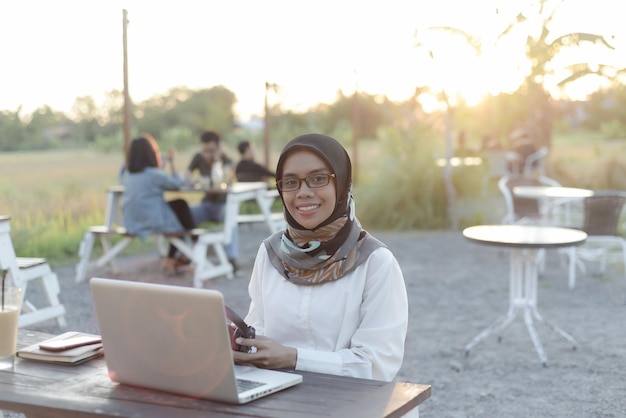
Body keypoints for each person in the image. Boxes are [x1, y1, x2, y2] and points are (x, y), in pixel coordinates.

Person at [232, 133, 409, 382]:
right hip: (276, 398)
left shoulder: (375, 262)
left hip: (349, 403)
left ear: (342, 184)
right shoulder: (271, 253)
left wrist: (294, 359)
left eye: (318, 179)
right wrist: (237, 344)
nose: (303, 192)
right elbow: (259, 330)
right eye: (291, 182)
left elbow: (377, 364)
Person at [121, 134, 195, 273]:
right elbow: (176, 184)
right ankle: (194, 242)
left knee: (177, 209)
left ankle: (172, 257)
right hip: (153, 220)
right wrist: (172, 162)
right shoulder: (154, 174)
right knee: (180, 207)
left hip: (131, 221)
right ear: (150, 154)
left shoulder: (127, 174)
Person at [185, 130, 239, 270]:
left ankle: (231, 257)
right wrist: (191, 180)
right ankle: (184, 253)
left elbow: (226, 180)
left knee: (230, 216)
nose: (207, 154)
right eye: (204, 150)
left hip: (222, 205)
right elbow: (187, 175)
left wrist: (217, 160)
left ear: (219, 147)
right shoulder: (198, 157)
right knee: (183, 213)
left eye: (211, 150)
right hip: (206, 204)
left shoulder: (227, 161)